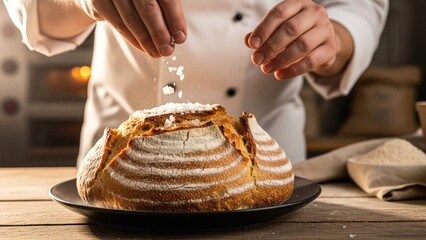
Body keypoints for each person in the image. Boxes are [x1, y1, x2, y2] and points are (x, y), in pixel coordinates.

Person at [4, 0, 388, 165]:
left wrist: (332, 36)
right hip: (121, 160)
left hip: (269, 157)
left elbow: (359, 7)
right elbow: (33, 10)